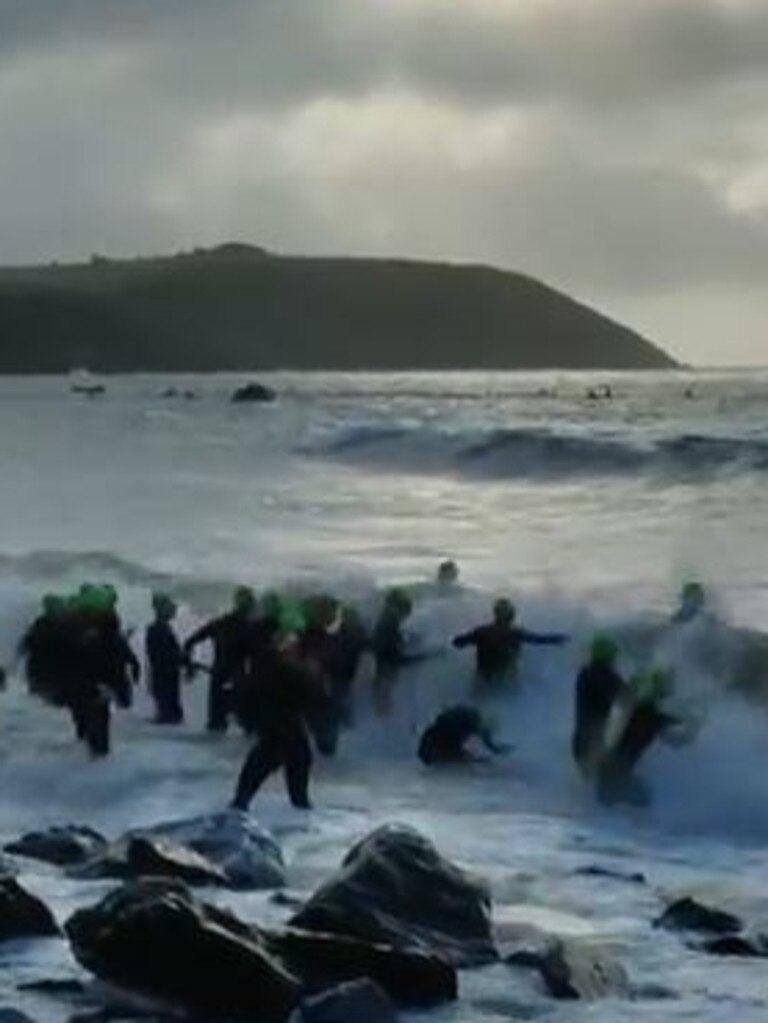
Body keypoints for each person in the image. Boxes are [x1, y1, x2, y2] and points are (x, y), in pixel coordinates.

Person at [231, 634, 327, 811]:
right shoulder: (292, 671)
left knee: (260, 764)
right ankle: (300, 807)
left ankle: (240, 802)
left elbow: (247, 697)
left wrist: (248, 721)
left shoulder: (265, 669)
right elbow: (313, 698)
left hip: (271, 724)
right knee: (295, 762)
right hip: (287, 725)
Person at [596, 668, 680, 807]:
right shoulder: (650, 715)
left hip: (606, 774)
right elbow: (674, 737)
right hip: (614, 782)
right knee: (649, 799)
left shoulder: (637, 709)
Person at [183, 586, 256, 733]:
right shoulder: (250, 627)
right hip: (239, 679)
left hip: (219, 675)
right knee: (247, 727)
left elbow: (189, 642)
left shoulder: (220, 623)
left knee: (216, 728)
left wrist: (189, 665)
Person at [453, 599, 567, 689]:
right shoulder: (515, 633)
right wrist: (561, 639)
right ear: (512, 615)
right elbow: (540, 640)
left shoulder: (481, 631)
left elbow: (457, 643)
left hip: (484, 678)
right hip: (506, 679)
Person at [572, 635, 625, 780]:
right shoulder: (608, 677)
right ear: (608, 655)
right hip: (594, 745)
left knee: (590, 783)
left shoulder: (584, 673)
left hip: (580, 742)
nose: (615, 659)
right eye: (613, 655)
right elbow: (627, 696)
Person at [371, 588, 423, 715]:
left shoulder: (385, 621)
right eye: (405, 612)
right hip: (385, 673)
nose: (405, 617)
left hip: (383, 671)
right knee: (383, 707)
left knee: (383, 703)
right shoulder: (388, 624)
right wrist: (425, 657)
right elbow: (396, 657)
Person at [418, 704, 510, 766]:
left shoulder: (477, 723)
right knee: (455, 759)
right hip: (437, 739)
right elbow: (453, 741)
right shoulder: (467, 718)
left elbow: (487, 740)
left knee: (459, 759)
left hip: (440, 739)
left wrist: (497, 750)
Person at [18, 594, 68, 703]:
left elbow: (24, 646)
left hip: (41, 672)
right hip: (50, 673)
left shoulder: (40, 623)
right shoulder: (65, 625)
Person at [145, 593, 185, 724]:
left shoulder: (160, 629)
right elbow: (162, 655)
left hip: (165, 675)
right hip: (164, 676)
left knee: (169, 713)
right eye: (170, 607)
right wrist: (182, 659)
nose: (174, 609)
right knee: (169, 715)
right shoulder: (158, 630)